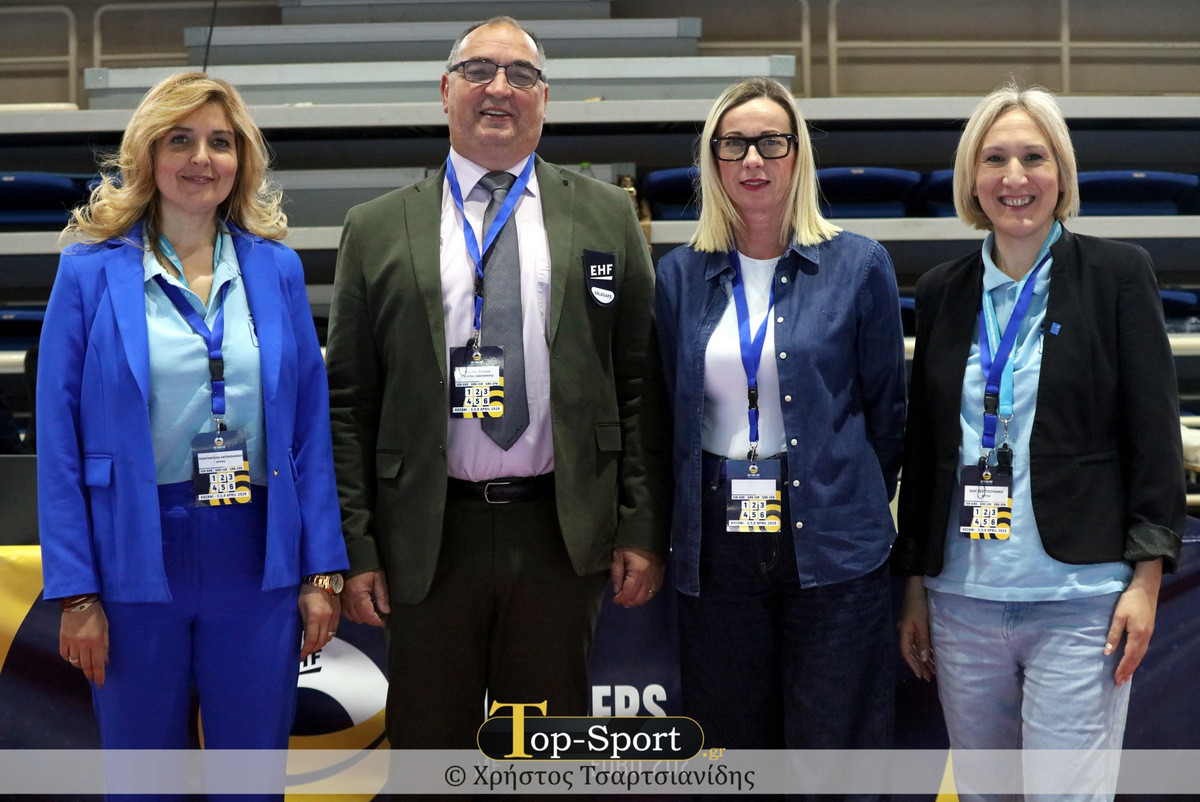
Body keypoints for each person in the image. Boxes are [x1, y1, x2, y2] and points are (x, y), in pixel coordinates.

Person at [325, 16, 671, 748]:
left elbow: (640, 383)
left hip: (559, 532)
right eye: (479, 70)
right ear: (445, 90)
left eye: (521, 75)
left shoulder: (608, 215)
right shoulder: (376, 227)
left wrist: (640, 526)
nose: (499, 88)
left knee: (542, 761)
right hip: (426, 533)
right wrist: (356, 548)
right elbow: (349, 402)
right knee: (430, 761)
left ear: (544, 98)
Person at [37, 72, 348, 766]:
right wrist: (77, 595)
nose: (201, 158)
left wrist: (321, 572)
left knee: (251, 774)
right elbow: (58, 442)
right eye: (180, 140)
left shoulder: (277, 268)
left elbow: (309, 431)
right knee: (143, 775)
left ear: (241, 160)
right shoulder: (88, 272)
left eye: (220, 142)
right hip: (131, 556)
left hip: (256, 557)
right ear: (148, 153)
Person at [894, 83, 1184, 800]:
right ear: (971, 179)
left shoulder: (1117, 275)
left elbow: (1155, 440)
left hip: (1080, 600)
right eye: (994, 159)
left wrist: (1146, 581)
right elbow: (927, 450)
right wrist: (915, 587)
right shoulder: (941, 291)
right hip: (960, 599)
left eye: (1034, 157)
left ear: (1063, 173)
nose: (1014, 177)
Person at [655, 77, 907, 756]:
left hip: (835, 537)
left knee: (837, 754)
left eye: (772, 142)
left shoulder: (861, 265)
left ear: (798, 154)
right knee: (731, 752)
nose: (752, 160)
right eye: (733, 144)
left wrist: (839, 488)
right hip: (716, 546)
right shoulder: (678, 276)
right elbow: (665, 416)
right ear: (712, 158)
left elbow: (888, 413)